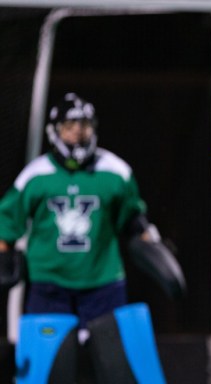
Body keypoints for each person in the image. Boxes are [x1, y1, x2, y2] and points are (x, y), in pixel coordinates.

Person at [0, 92, 185, 382]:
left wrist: (153, 247)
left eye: (84, 124)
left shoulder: (115, 173)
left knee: (117, 371)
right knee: (47, 371)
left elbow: (134, 223)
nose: (78, 132)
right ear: (55, 130)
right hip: (49, 284)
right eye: (70, 126)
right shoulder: (35, 177)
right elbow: (6, 225)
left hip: (103, 284)